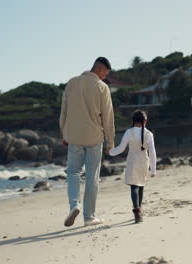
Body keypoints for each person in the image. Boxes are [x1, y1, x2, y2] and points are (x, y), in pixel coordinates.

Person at [59, 57, 115, 227]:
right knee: (92, 177)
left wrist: (65, 134)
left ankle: (74, 205)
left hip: (74, 137)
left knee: (73, 172)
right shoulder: (101, 87)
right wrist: (110, 142)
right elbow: (108, 117)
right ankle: (89, 216)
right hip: (94, 137)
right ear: (99, 69)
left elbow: (64, 112)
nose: (105, 77)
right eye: (105, 73)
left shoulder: (71, 83)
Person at [108, 110, 156, 223]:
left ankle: (136, 210)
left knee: (134, 187)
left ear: (133, 121)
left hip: (133, 162)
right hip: (144, 162)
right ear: (145, 121)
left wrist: (110, 152)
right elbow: (152, 153)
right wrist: (153, 169)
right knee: (141, 186)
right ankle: (139, 210)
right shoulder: (149, 134)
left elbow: (121, 148)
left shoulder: (129, 132)